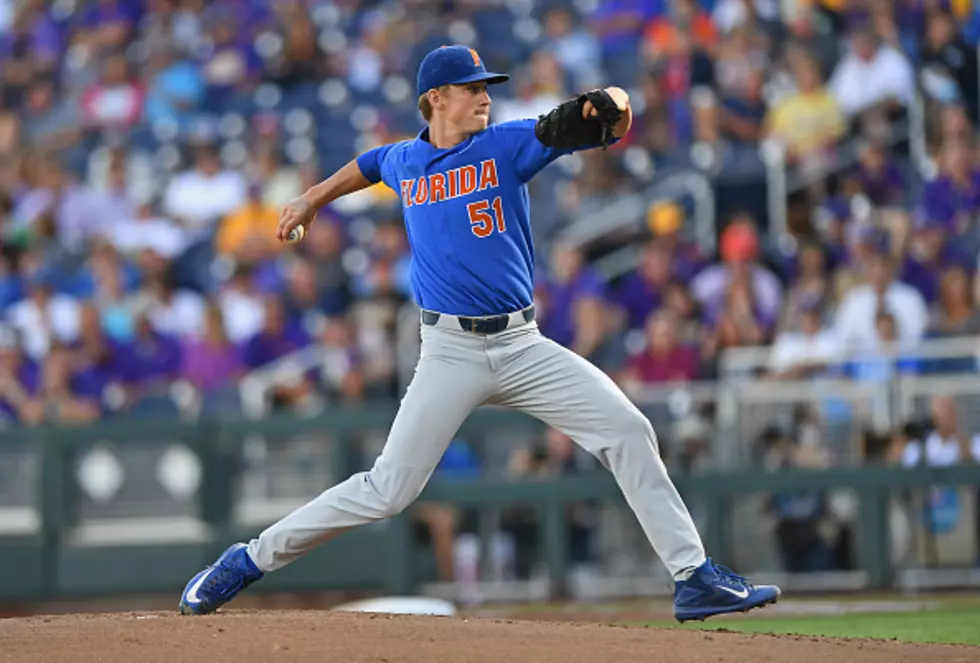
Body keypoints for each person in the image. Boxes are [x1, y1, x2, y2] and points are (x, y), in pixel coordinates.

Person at [178, 45, 780, 623]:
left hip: (523, 346)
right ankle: (246, 561)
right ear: (435, 98)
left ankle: (692, 576)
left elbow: (576, 124)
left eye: (486, 88)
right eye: (472, 89)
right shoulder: (405, 159)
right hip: (449, 352)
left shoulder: (506, 145)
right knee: (388, 489)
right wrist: (313, 197)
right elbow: (367, 165)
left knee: (627, 428)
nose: (484, 97)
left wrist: (609, 106)